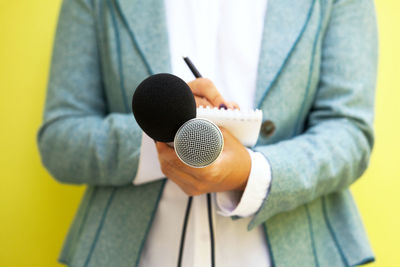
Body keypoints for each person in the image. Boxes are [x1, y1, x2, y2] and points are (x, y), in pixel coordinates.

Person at [37, 0, 378, 266]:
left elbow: (348, 133)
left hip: (296, 250)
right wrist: (164, 128)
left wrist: (251, 172)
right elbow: (60, 140)